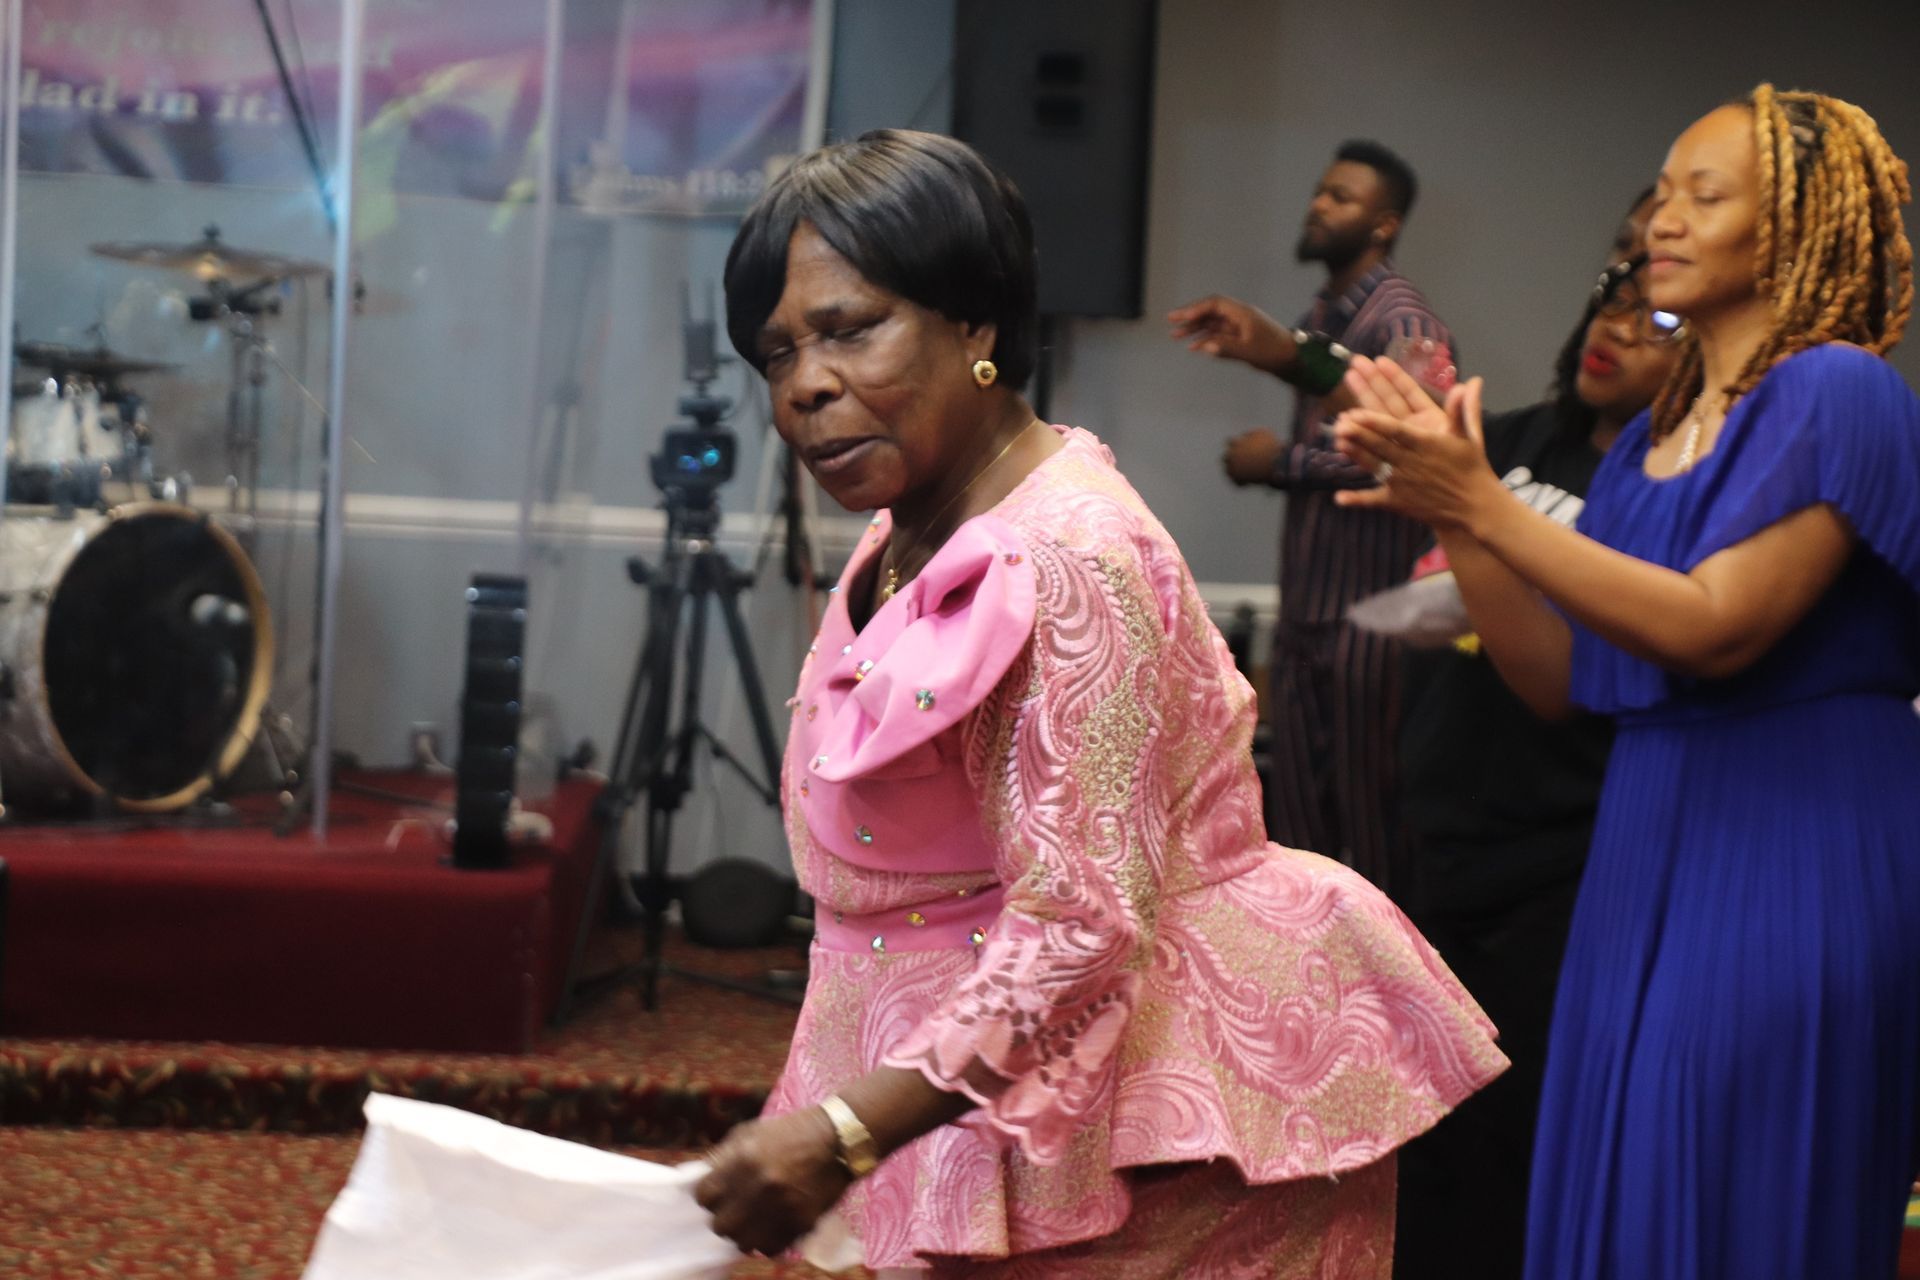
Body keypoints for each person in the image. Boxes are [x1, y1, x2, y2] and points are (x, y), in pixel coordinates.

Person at [692, 128, 1507, 1278]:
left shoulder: (1074, 550)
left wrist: (847, 1128)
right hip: (965, 1062)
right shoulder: (905, 520)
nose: (806, 384)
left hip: (1162, 1110)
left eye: (848, 328)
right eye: (775, 353)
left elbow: (1080, 920)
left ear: (975, 323)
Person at [1332, 86, 1920, 1278]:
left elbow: (1714, 627)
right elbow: (1560, 678)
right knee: (1627, 1183)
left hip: (1791, 841)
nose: (1664, 217)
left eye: (1708, 195)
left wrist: (1485, 497)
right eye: (1662, 190)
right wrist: (1470, 524)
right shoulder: (1655, 434)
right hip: (1648, 839)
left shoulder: (1840, 388)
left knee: (1735, 1193)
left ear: (1800, 225)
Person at [1386, 194, 1683, 1280]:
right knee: (1426, 1158)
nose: (1618, 319)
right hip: (1443, 848)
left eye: (1659, 317)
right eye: (1615, 284)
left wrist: (1476, 528)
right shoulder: (1508, 440)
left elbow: (1570, 681)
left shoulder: (1661, 489)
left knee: (1519, 1166)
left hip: (1566, 867)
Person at [1168, 140, 1454, 901]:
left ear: (1384, 225)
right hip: (1310, 613)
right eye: (1321, 192)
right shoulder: (1321, 317)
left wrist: (1279, 464)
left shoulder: (1401, 322)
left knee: (1371, 826)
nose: (1319, 207)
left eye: (1343, 198)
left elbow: (1410, 455)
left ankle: (1393, 1011)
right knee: (1299, 828)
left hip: (1370, 622)